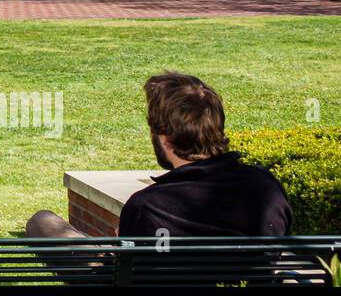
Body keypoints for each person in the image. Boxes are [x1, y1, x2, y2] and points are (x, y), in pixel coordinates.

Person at [27, 72, 291, 239]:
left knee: (43, 222)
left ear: (165, 139)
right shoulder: (266, 187)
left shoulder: (148, 206)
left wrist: (123, 241)